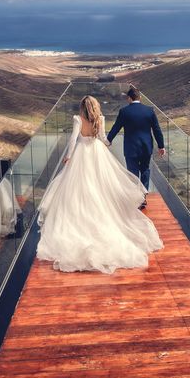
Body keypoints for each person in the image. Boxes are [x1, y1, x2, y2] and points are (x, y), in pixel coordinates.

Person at [36, 95, 163, 274]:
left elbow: (73, 139)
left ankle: (80, 217)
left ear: (82, 107)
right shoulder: (100, 119)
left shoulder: (77, 119)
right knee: (100, 187)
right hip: (97, 153)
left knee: (78, 189)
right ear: (95, 106)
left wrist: (69, 156)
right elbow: (103, 138)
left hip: (81, 153)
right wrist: (106, 144)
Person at [107, 86, 166, 207]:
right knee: (145, 170)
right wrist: (161, 146)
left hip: (131, 148)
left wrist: (108, 140)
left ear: (129, 98)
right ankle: (143, 197)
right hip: (146, 147)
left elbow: (116, 127)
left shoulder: (124, 112)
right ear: (140, 97)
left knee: (133, 173)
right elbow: (156, 130)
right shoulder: (149, 110)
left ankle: (136, 198)